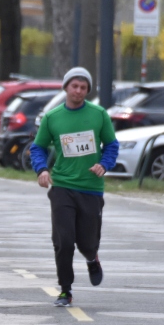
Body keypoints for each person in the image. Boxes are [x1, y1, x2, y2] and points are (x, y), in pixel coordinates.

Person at [28, 67, 118, 307]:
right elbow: (38, 147)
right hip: (62, 186)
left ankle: (91, 258)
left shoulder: (99, 114)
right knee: (64, 241)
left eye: (83, 87)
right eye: (74, 86)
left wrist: (104, 164)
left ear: (87, 91)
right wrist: (42, 169)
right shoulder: (52, 117)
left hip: (90, 187)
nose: (78, 91)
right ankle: (65, 290)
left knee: (87, 243)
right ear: (66, 87)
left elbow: (111, 144)